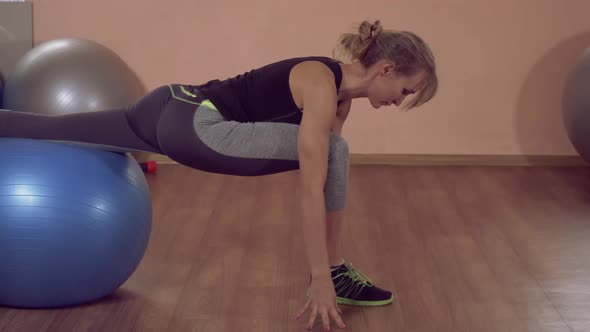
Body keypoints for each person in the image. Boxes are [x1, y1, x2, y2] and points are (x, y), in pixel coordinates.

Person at [0, 19, 437, 331]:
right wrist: (321, 277)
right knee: (334, 151)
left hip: (167, 104)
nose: (399, 101)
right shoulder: (322, 87)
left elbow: (323, 181)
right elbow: (311, 182)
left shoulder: (338, 95)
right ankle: (337, 274)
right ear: (385, 69)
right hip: (197, 126)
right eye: (405, 90)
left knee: (51, 129)